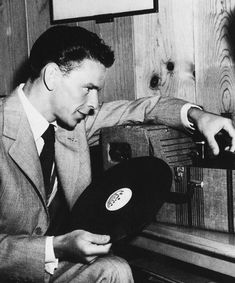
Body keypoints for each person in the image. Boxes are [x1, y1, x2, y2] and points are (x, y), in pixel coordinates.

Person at [0, 25, 235, 283]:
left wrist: (197, 115)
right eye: (87, 88)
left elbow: (144, 108)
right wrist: (54, 247)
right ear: (52, 75)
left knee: (116, 269)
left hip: (50, 268)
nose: (93, 104)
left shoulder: (73, 122)